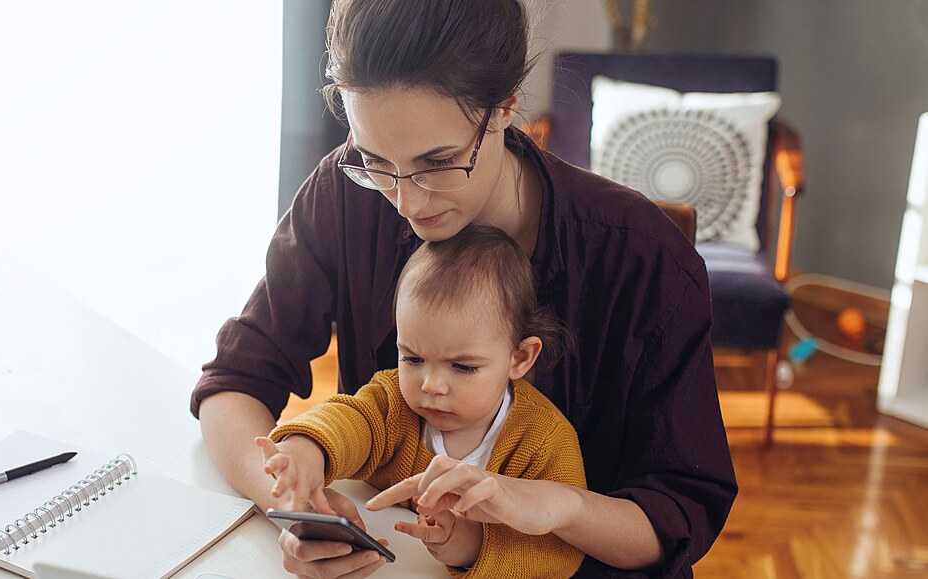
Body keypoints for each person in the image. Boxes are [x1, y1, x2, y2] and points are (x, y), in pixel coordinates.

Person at [190, 0, 737, 577]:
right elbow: (235, 382)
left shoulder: (640, 256)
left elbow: (678, 519)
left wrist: (562, 507)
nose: (407, 201)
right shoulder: (347, 193)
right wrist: (291, 503)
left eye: (439, 162)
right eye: (375, 160)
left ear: (504, 106)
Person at [257, 224, 586, 578]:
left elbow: (562, 551)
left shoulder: (545, 441)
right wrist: (307, 448)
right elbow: (349, 418)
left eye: (462, 366)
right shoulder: (394, 401)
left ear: (520, 358)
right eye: (412, 359)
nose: (430, 385)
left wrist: (469, 544)